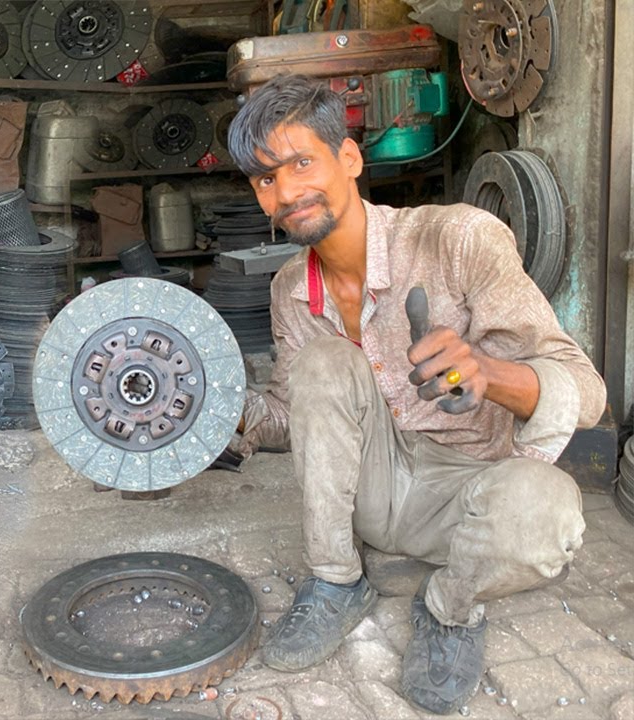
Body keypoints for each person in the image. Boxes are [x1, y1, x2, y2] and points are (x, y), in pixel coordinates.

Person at [225, 74, 604, 715]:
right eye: (265, 179)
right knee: (322, 363)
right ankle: (337, 583)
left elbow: (586, 390)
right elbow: (299, 416)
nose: (286, 192)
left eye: (300, 163)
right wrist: (222, 414)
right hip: (369, 502)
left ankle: (450, 609)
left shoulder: (458, 238)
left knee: (548, 515)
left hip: (469, 504)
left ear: (348, 159)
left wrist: (485, 370)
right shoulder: (290, 287)